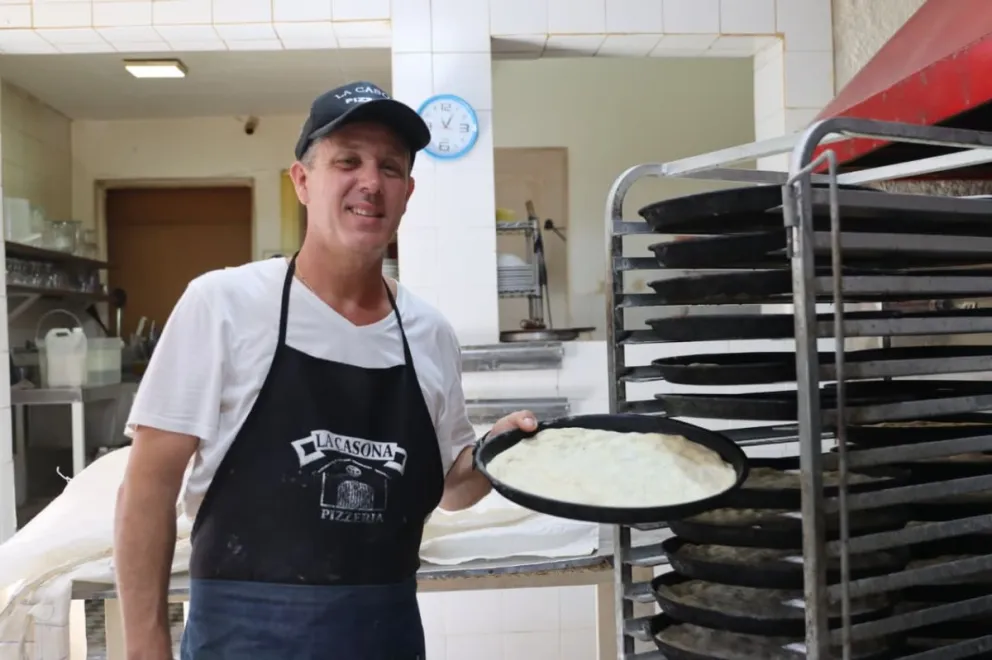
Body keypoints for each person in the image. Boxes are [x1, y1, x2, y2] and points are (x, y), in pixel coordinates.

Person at [113, 80, 537, 660]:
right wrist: (145, 648)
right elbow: (148, 486)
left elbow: (450, 490)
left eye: (390, 167)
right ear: (302, 181)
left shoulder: (429, 334)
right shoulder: (224, 305)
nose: (370, 181)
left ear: (408, 192)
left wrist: (496, 448)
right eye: (347, 161)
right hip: (243, 639)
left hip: (384, 637)